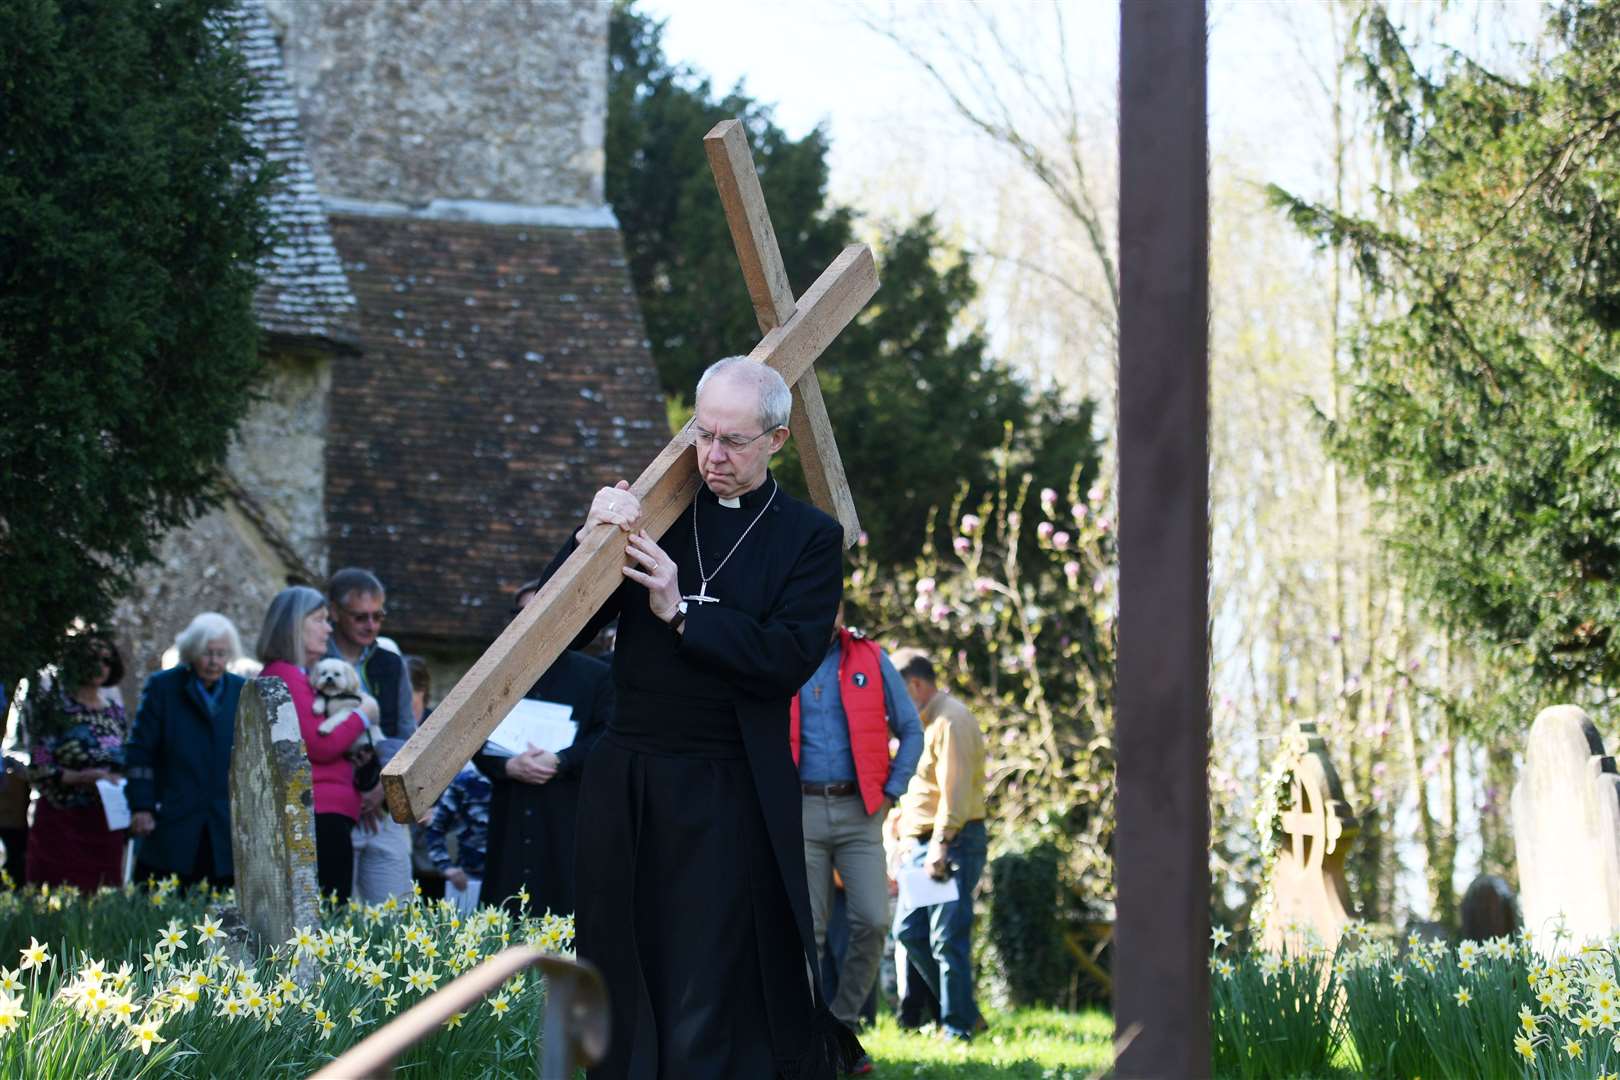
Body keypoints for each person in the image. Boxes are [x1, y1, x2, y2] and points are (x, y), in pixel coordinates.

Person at [534, 356, 861, 1079]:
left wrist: (682, 613)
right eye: (702, 434)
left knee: (705, 978)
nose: (712, 456)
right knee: (617, 965)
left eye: (733, 441)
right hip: (628, 778)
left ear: (775, 440)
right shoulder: (655, 513)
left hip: (726, 785)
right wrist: (588, 535)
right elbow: (556, 631)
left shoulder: (809, 538)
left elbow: (786, 656)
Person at [794, 604, 921, 1068]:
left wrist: (893, 791)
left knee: (871, 919)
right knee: (810, 932)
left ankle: (843, 1027)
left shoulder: (871, 657)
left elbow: (911, 730)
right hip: (801, 809)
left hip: (861, 810)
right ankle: (812, 1039)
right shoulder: (783, 654)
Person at [472, 578, 612, 918]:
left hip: (564, 816)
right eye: (522, 613)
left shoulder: (595, 676)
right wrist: (507, 766)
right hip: (510, 815)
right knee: (503, 922)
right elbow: (470, 738)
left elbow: (607, 736)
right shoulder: (493, 674)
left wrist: (561, 760)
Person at [886, 651, 988, 1042]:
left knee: (947, 938)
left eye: (895, 692)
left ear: (914, 685)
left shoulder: (951, 720)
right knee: (910, 933)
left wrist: (941, 845)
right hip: (923, 843)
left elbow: (955, 792)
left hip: (950, 843)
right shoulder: (924, 723)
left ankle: (958, 1027)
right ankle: (964, 1012)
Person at [258, 585, 370, 902]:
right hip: (318, 812)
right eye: (320, 620)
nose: (329, 629)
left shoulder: (296, 674)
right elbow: (320, 745)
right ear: (295, 625)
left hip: (323, 809)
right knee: (328, 913)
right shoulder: (287, 676)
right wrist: (363, 716)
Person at [125, 612, 246, 890]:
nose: (214, 662)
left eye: (221, 654)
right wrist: (141, 806)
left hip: (222, 824)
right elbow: (140, 751)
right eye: (207, 653)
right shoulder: (163, 687)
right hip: (172, 815)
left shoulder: (240, 691)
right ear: (192, 651)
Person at [326, 567, 416, 903]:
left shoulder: (391, 664)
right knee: (331, 915)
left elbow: (405, 732)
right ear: (334, 612)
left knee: (394, 914)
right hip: (332, 802)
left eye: (378, 616)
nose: (371, 625)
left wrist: (381, 788)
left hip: (382, 805)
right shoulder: (316, 660)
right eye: (360, 616)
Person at [21, 632, 130, 890]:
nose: (99, 666)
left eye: (106, 660)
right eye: (91, 658)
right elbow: (39, 760)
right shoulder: (53, 708)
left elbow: (126, 756)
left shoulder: (114, 711)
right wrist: (81, 777)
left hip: (105, 822)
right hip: (60, 822)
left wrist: (118, 778)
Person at [423, 762, 491, 913]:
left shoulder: (528, 779)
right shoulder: (466, 781)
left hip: (515, 881)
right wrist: (446, 867)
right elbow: (435, 828)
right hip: (469, 882)